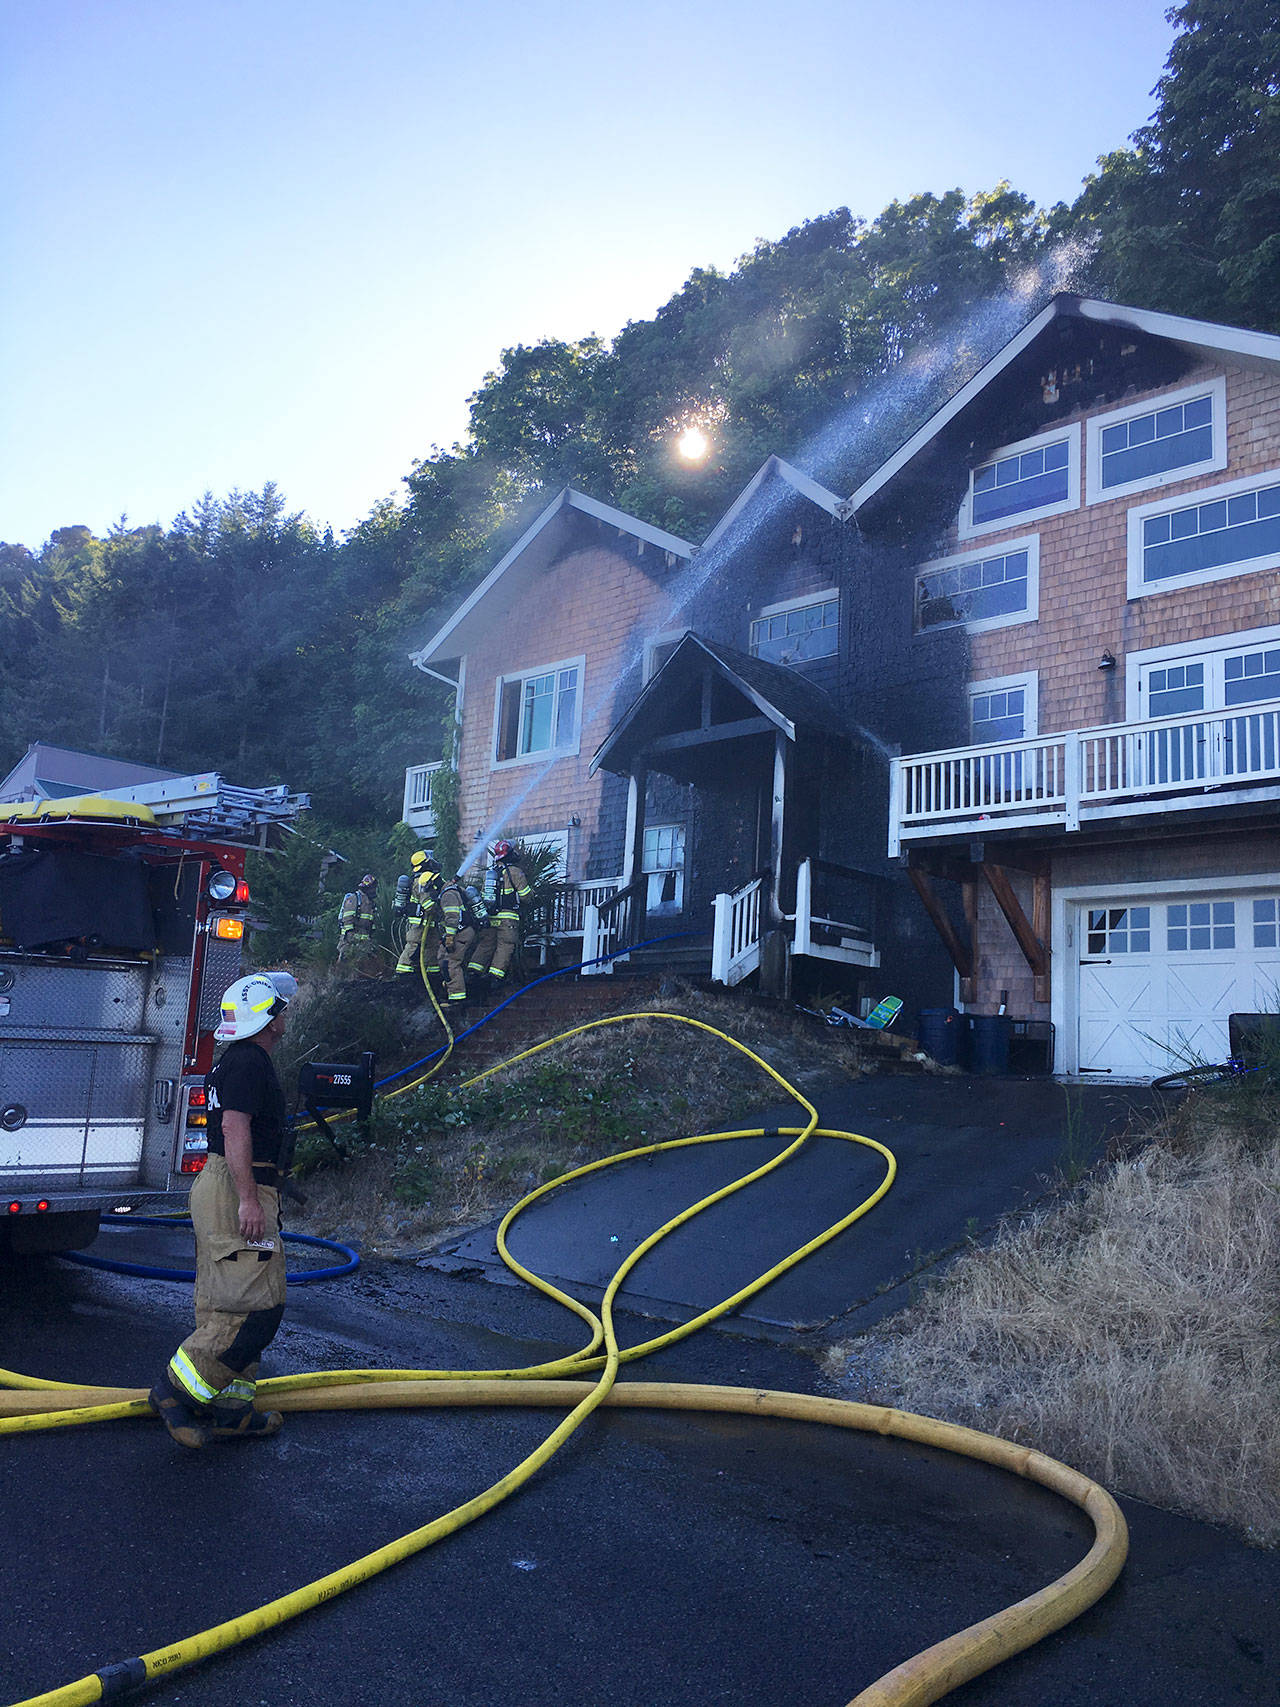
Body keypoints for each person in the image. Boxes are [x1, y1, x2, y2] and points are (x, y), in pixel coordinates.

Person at [148, 973, 292, 1449]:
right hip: (237, 1186)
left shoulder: (238, 1060)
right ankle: (174, 1395)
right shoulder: (251, 1062)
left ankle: (232, 1411)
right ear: (269, 1019)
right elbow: (234, 1129)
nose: (287, 1014)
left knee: (222, 1304)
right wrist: (249, 1199)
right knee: (256, 1310)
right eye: (281, 1008)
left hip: (219, 1182)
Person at [485, 840, 532, 987]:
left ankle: (475, 972)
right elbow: (525, 896)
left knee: (487, 945)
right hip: (508, 919)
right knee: (506, 946)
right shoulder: (515, 872)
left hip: (491, 917)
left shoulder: (491, 874)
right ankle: (495, 978)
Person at [394, 850, 443, 985]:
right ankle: (402, 973)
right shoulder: (422, 880)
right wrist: (438, 911)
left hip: (429, 923)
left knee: (432, 948)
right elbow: (426, 902)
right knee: (414, 946)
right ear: (425, 863)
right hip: (421, 923)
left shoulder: (425, 878)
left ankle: (432, 974)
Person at [437, 873, 477, 1008]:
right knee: (442, 958)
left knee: (451, 962)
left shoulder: (447, 895)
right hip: (458, 931)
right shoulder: (448, 890)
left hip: (462, 932)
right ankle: (450, 986)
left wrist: (449, 938)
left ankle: (457, 998)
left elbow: (452, 918)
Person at [336, 872, 378, 963]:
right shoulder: (354, 899)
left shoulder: (370, 903)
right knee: (345, 965)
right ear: (366, 888)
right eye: (372, 888)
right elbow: (347, 919)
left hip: (364, 943)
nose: (374, 890)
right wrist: (351, 938)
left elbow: (371, 922)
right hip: (349, 942)